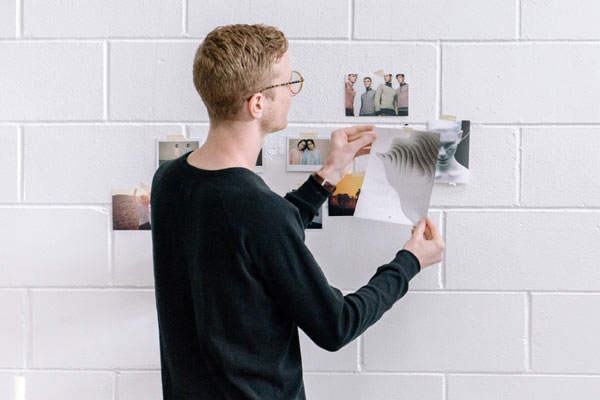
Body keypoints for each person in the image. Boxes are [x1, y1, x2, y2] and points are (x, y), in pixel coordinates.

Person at [151, 24, 445, 400]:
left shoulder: (169, 180)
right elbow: (336, 325)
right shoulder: (258, 211)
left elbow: (256, 239)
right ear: (257, 104)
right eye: (289, 83)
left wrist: (329, 174)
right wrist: (410, 262)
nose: (292, 92)